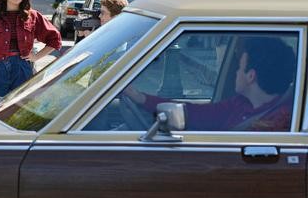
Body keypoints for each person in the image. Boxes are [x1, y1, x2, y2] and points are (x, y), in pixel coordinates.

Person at [125, 37, 295, 132]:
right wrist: (140, 98)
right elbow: (197, 113)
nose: (235, 72)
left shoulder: (279, 121)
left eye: (239, 67)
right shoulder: (240, 104)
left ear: (251, 76)